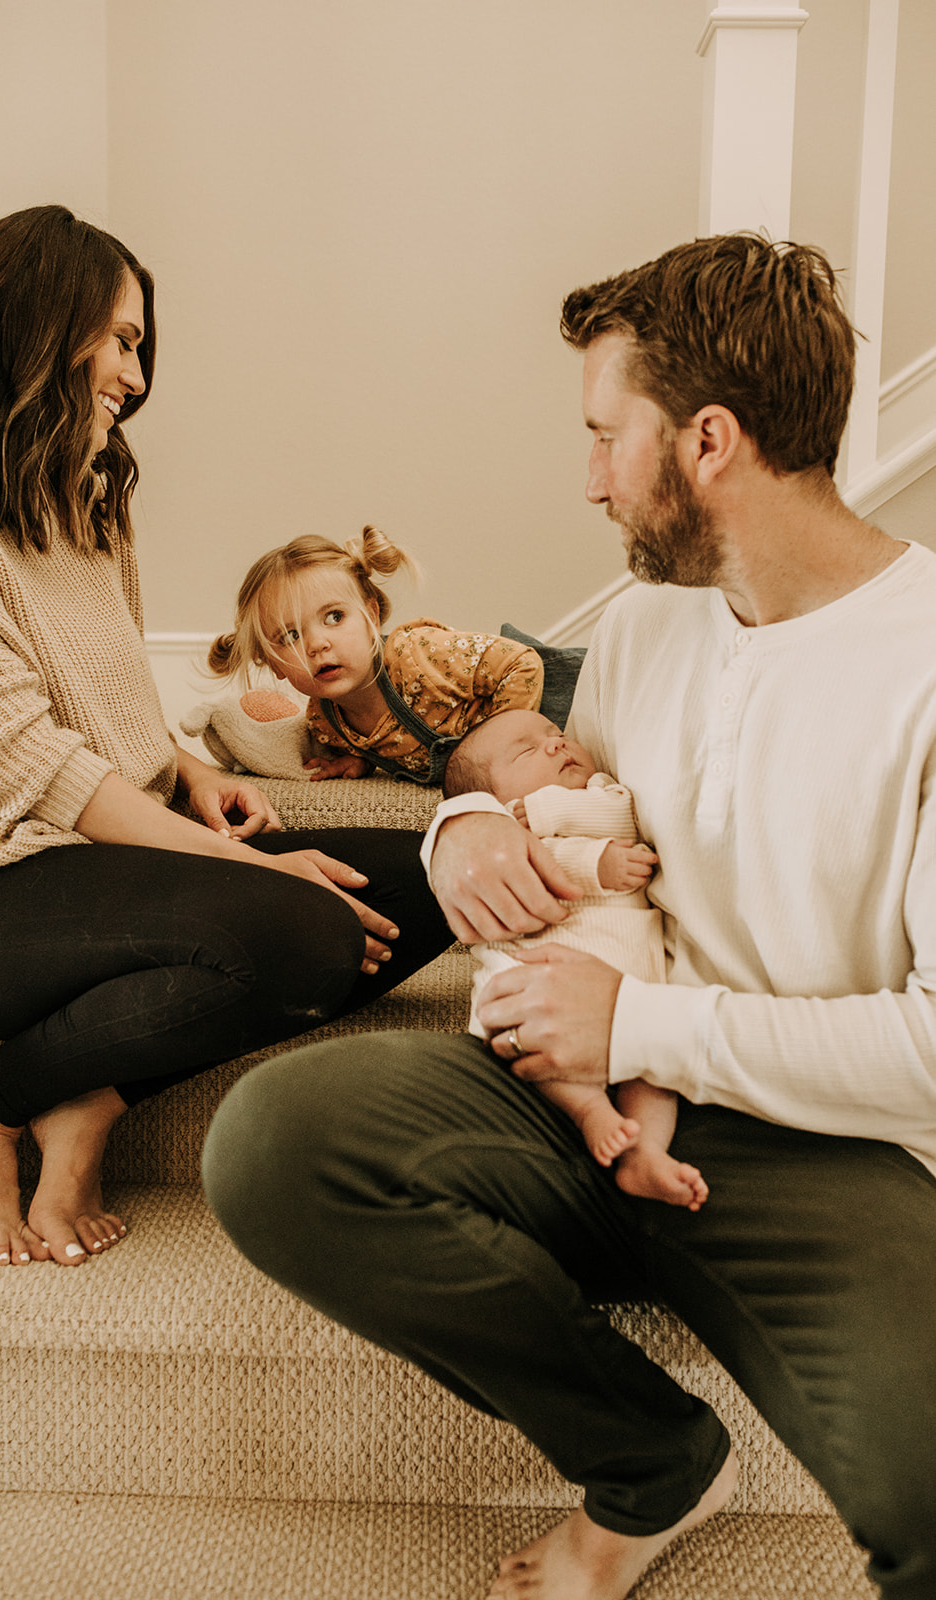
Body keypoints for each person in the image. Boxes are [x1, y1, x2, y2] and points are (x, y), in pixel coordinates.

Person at [203, 232, 936, 1600]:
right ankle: (648, 1457)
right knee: (273, 1142)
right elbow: (558, 801)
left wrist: (642, 1018)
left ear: (705, 440)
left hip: (828, 1152)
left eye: (607, 435)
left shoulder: (922, 660)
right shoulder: (651, 622)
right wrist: (462, 823)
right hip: (572, 1090)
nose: (586, 474)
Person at [0, 204, 451, 1271]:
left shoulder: (86, 499)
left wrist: (183, 768)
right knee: (308, 927)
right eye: (122, 340)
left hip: (94, 856)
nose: (135, 378)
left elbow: (95, 702)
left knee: (428, 874)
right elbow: (14, 758)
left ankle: (87, 1091)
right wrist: (240, 864)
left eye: (140, 348)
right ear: (43, 323)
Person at [443, 708, 707, 1210]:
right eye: (527, 750)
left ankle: (644, 1153)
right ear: (492, 801)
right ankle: (589, 1113)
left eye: (556, 734)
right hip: (535, 971)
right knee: (536, 1043)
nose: (555, 745)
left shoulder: (600, 793)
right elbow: (541, 872)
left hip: (631, 979)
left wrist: (550, 818)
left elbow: (619, 817)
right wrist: (590, 860)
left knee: (655, 1072)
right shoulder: (504, 836)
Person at [205, 528, 544, 785]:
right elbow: (394, 740)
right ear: (273, 664)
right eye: (290, 636)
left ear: (371, 616)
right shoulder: (327, 724)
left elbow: (522, 664)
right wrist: (363, 760)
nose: (317, 644)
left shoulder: (418, 655)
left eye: (334, 617)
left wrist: (507, 751)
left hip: (561, 703)